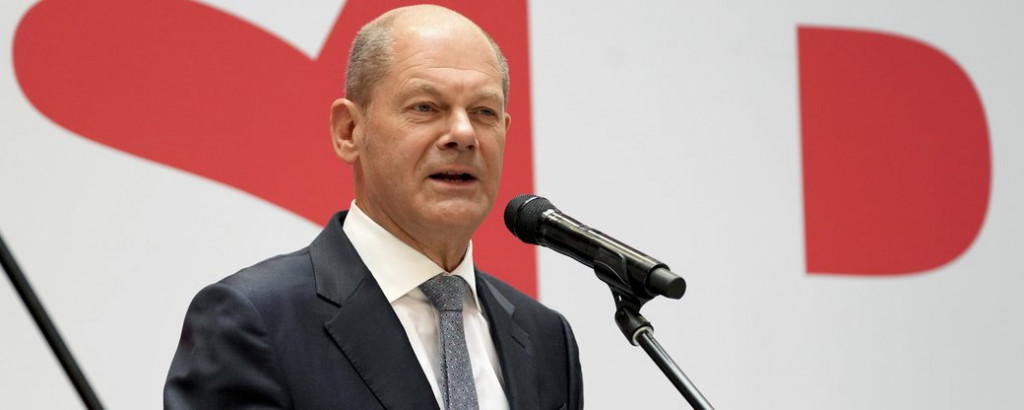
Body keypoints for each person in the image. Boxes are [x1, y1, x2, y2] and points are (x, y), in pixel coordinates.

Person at [164, 5, 583, 409]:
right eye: (425, 107)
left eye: (484, 112)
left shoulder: (546, 338)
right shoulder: (254, 320)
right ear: (349, 131)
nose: (463, 133)